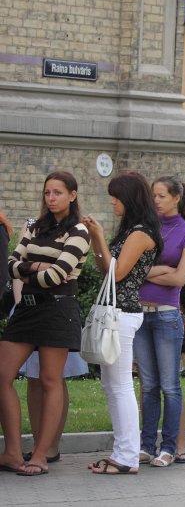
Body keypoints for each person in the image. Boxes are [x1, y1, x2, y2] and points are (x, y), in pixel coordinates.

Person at [0, 171, 90, 476]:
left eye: (58, 193)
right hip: (26, 309)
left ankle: (40, 456)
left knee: (51, 381)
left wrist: (27, 270)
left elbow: (57, 277)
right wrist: (35, 266)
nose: (51, 198)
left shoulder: (78, 231)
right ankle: (12, 452)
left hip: (57, 310)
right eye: (47, 193)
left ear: (72, 195)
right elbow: (10, 265)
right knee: (2, 376)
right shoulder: (33, 226)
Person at [84, 171, 161, 474]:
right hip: (117, 313)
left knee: (120, 386)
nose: (113, 202)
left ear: (129, 198)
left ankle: (127, 456)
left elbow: (116, 274)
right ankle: (123, 452)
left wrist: (100, 237)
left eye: (116, 196)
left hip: (122, 314)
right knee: (112, 385)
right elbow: (105, 268)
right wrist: (97, 241)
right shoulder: (131, 231)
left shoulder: (141, 234)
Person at [134, 176, 185, 467]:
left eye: (161, 195)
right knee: (148, 385)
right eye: (154, 195)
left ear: (176, 198)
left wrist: (148, 271)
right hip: (139, 316)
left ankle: (169, 447)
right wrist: (160, 270)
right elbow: (131, 268)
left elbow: (179, 277)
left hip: (166, 316)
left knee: (170, 386)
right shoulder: (145, 228)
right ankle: (147, 445)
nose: (156, 200)